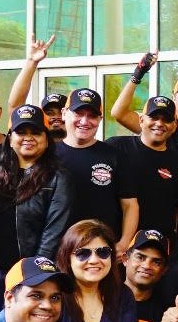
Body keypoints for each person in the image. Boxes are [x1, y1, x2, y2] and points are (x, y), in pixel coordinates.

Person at [0, 104, 76, 316]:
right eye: (21, 132)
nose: (28, 138)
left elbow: (54, 232)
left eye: (36, 132)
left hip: (30, 277)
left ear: (46, 139)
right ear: (10, 139)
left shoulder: (58, 178)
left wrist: (35, 275)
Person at [107, 94, 178, 252]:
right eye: (154, 117)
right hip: (115, 246)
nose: (159, 124)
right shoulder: (116, 147)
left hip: (158, 250)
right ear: (141, 120)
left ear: (174, 126)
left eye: (166, 120)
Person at [54, 88, 137, 256]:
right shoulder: (48, 155)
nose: (84, 121)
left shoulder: (115, 156)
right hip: (57, 249)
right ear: (64, 113)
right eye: (78, 113)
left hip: (102, 252)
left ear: (100, 119)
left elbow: (130, 205)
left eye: (92, 116)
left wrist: (124, 243)